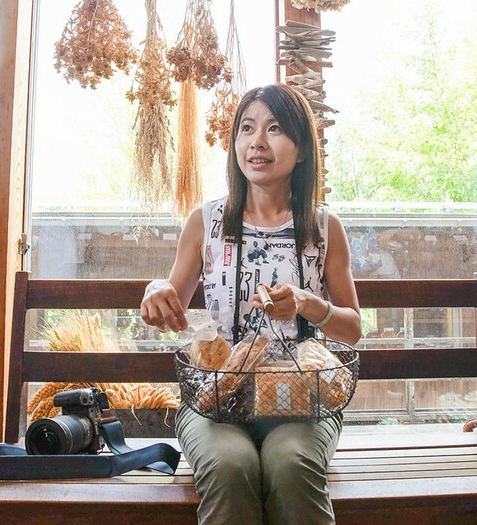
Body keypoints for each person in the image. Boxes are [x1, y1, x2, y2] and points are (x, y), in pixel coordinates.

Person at [140, 83, 362, 525]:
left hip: (303, 401)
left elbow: (352, 329)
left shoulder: (323, 227)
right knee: (230, 465)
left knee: (290, 464)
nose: (257, 142)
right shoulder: (206, 221)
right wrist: (155, 290)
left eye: (275, 128)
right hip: (215, 402)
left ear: (302, 149)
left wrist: (306, 303)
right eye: (247, 128)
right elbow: (170, 309)